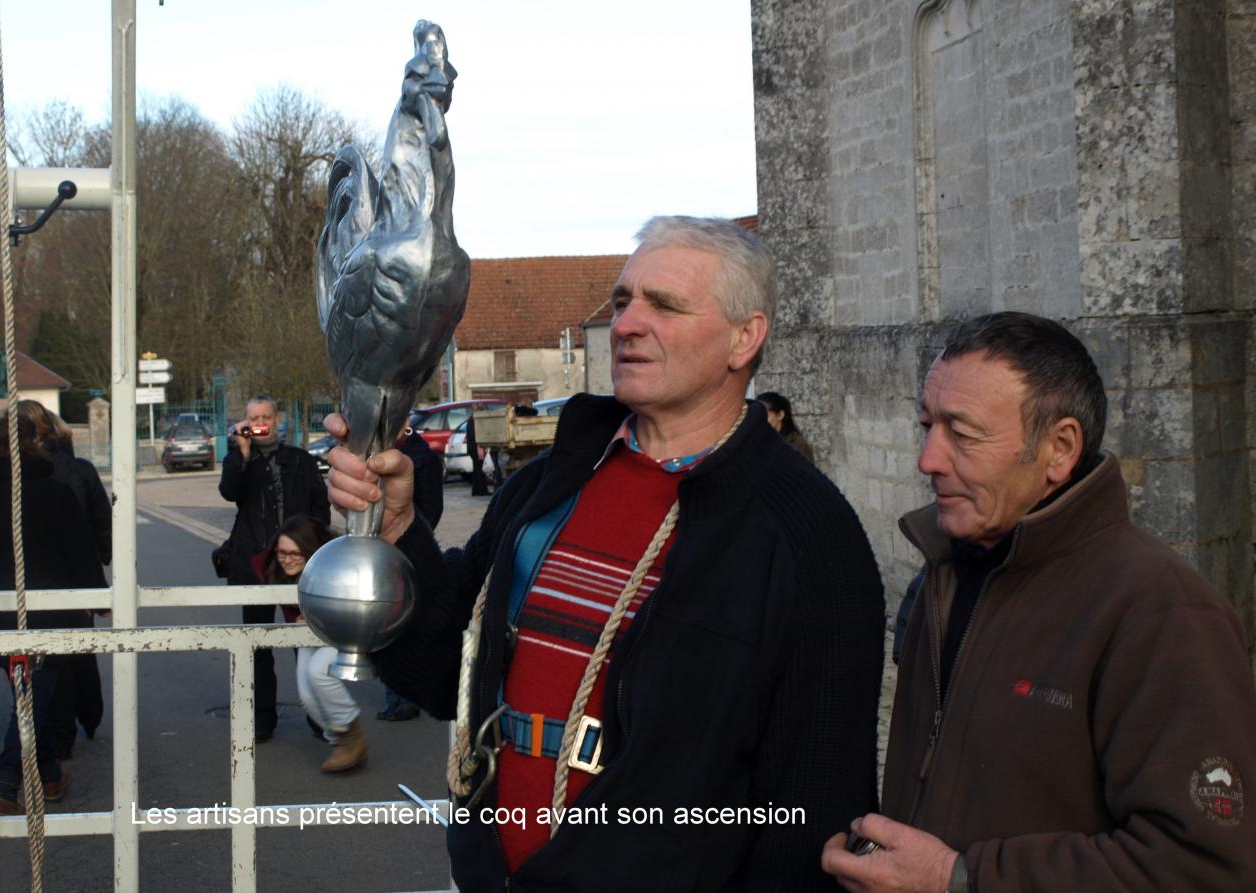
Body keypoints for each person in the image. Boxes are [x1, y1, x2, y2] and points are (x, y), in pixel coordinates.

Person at [326, 216, 885, 890]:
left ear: (746, 338)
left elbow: (812, 809)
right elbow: (448, 668)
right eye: (622, 302)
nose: (625, 324)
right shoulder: (547, 484)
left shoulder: (809, 531)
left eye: (665, 305)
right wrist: (397, 532)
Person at [823, 312, 1256, 892]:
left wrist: (957, 880)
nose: (927, 459)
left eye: (963, 433)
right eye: (927, 425)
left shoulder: (1162, 612)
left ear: (1058, 449)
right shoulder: (942, 577)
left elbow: (1207, 868)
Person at [0, 412, 105, 814]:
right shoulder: (54, 492)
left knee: (28, 695)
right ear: (35, 442)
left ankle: (51, 775)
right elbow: (80, 551)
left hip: (0, 613)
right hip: (46, 612)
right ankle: (7, 783)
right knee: (32, 699)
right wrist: (98, 596)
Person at [218, 395, 328, 743]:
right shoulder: (238, 460)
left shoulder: (300, 460)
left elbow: (319, 508)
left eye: (266, 416)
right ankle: (262, 718)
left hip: (297, 564)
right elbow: (229, 492)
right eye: (254, 418)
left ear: (278, 420)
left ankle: (318, 716)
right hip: (254, 562)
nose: (262, 422)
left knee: (305, 641)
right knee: (256, 643)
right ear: (245, 422)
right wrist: (243, 452)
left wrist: (309, 548)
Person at [16, 401, 111, 759]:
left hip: (48, 578)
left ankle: (62, 734)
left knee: (57, 662)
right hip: (74, 579)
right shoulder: (78, 469)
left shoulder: (36, 471)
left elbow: (99, 522)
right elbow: (101, 524)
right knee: (74, 659)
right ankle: (78, 723)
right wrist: (99, 571)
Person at [251, 515, 368, 772]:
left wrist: (318, 612)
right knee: (306, 696)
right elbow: (257, 561)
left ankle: (351, 733)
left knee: (319, 673)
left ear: (310, 552)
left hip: (338, 630)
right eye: (282, 552)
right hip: (308, 634)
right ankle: (341, 742)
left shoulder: (331, 569)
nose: (287, 559)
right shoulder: (273, 567)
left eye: (296, 553)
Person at [376, 429, 444, 722]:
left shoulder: (424, 456)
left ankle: (407, 697)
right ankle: (395, 695)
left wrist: (412, 533)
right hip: (384, 546)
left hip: (410, 545)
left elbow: (432, 504)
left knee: (406, 621)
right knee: (387, 619)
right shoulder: (379, 448)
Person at [756, 390, 814, 463]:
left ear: (780, 415)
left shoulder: (798, 445)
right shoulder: (757, 442)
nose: (759, 419)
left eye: (764, 414)